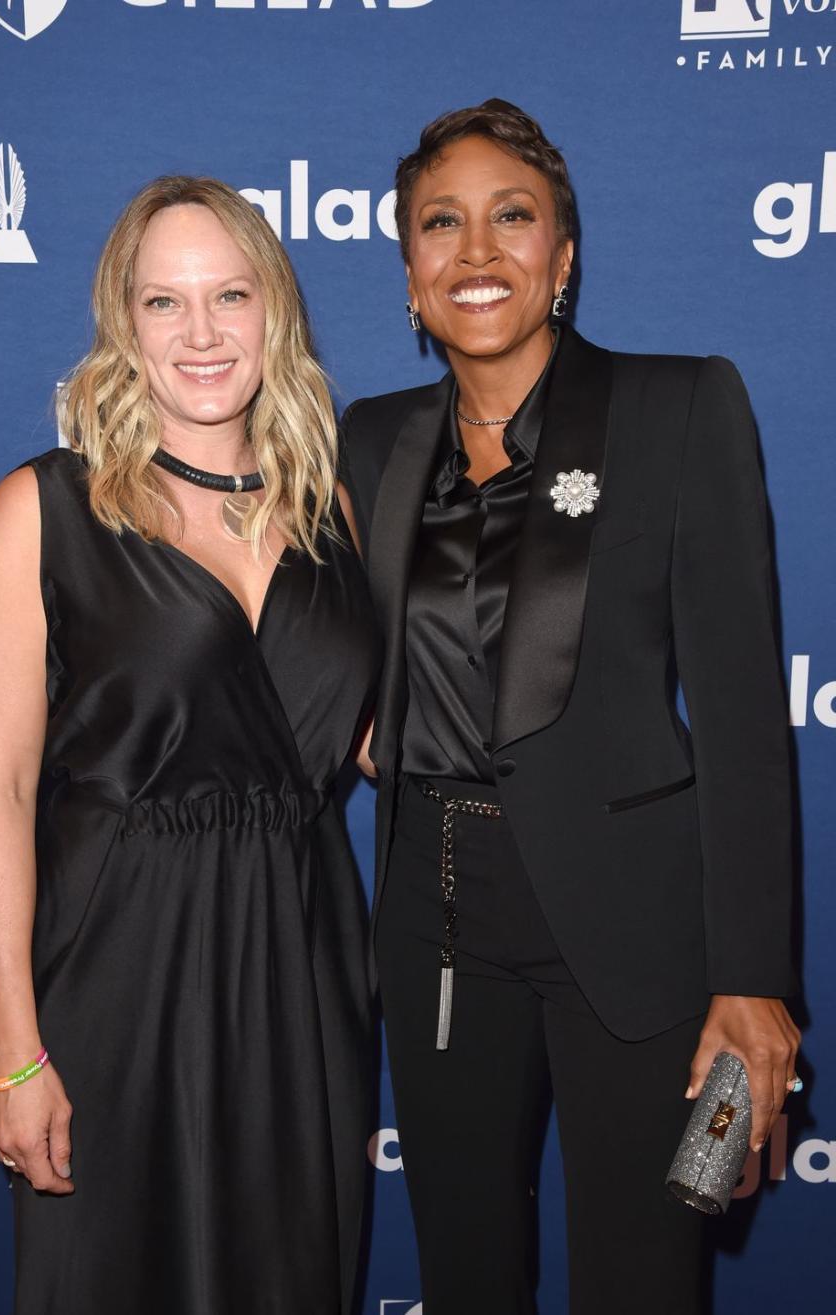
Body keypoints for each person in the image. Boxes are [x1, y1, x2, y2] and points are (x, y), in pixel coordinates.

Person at [342, 100, 801, 1315]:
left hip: (633, 923)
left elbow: (750, 721)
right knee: (467, 1270)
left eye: (513, 218)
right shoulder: (371, 442)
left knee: (643, 1275)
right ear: (409, 273)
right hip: (435, 920)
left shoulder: (678, 408)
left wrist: (754, 979)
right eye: (441, 224)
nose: (476, 252)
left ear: (565, 254)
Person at [0, 175, 378, 1315]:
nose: (201, 333)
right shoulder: (43, 510)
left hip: (302, 962)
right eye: (163, 302)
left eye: (230, 295)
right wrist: (16, 1051)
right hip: (118, 963)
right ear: (123, 322)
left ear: (272, 311)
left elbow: (385, 735)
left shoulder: (336, 510)